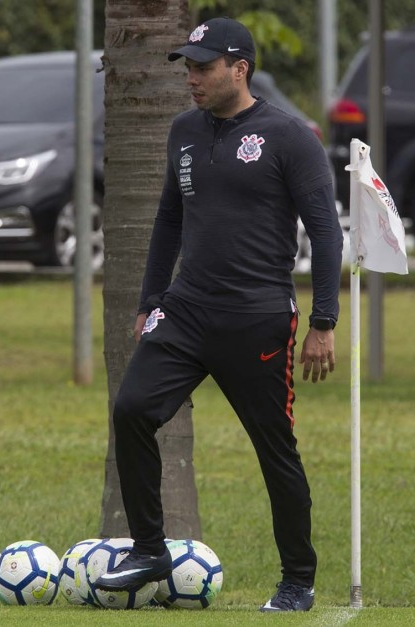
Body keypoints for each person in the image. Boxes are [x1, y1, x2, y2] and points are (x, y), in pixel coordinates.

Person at [94, 16, 342, 613]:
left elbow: (326, 231)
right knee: (131, 410)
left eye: (204, 67)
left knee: (273, 448)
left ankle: (297, 580)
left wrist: (324, 322)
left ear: (241, 69)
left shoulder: (289, 136)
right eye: (189, 67)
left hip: (257, 318)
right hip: (185, 312)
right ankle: (150, 549)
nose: (193, 78)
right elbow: (169, 220)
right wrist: (151, 301)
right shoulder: (182, 130)